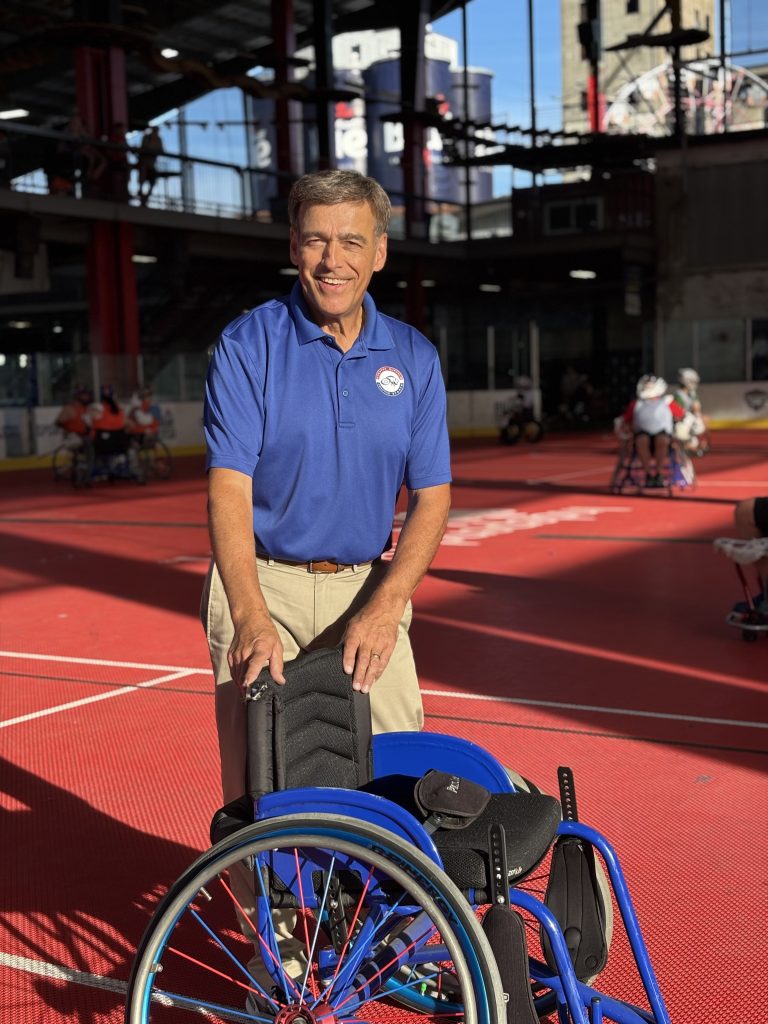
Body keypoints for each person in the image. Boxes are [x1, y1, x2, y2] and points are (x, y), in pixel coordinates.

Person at [200, 168, 452, 1000]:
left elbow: (433, 496)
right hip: (262, 581)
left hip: (364, 591)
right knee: (256, 792)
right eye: (315, 239)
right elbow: (229, 488)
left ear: (378, 252)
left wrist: (385, 607)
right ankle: (269, 960)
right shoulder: (251, 344)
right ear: (294, 248)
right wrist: (248, 616)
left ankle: (384, 935)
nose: (332, 258)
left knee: (400, 773)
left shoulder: (411, 357)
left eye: (351, 240)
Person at [617, 374, 685, 488]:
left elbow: (681, 415)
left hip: (663, 436)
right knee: (642, 440)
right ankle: (648, 474)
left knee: (662, 440)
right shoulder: (636, 404)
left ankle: (658, 474)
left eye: (650, 386)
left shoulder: (667, 401)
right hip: (642, 436)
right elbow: (625, 420)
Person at [674, 367, 709, 455]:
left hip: (692, 417)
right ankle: (686, 445)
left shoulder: (692, 393)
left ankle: (700, 443)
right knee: (683, 428)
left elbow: (697, 408)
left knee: (704, 420)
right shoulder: (678, 395)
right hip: (683, 419)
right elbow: (678, 412)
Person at [137, 126, 163, 205]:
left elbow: (161, 150)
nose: (155, 132)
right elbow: (143, 148)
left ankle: (147, 196)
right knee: (143, 177)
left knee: (152, 180)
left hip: (151, 164)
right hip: (143, 163)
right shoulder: (146, 138)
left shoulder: (159, 139)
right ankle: (141, 192)